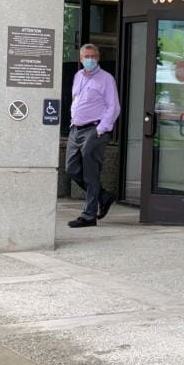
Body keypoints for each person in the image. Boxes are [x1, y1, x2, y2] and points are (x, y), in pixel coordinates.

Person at [65, 44, 121, 228]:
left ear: (98, 58)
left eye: (93, 56)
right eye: (86, 56)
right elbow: (76, 100)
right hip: (76, 128)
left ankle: (89, 216)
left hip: (95, 129)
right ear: (80, 59)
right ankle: (103, 196)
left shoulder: (106, 79)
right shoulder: (78, 76)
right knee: (71, 168)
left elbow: (114, 107)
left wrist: (101, 129)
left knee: (91, 173)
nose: (90, 59)